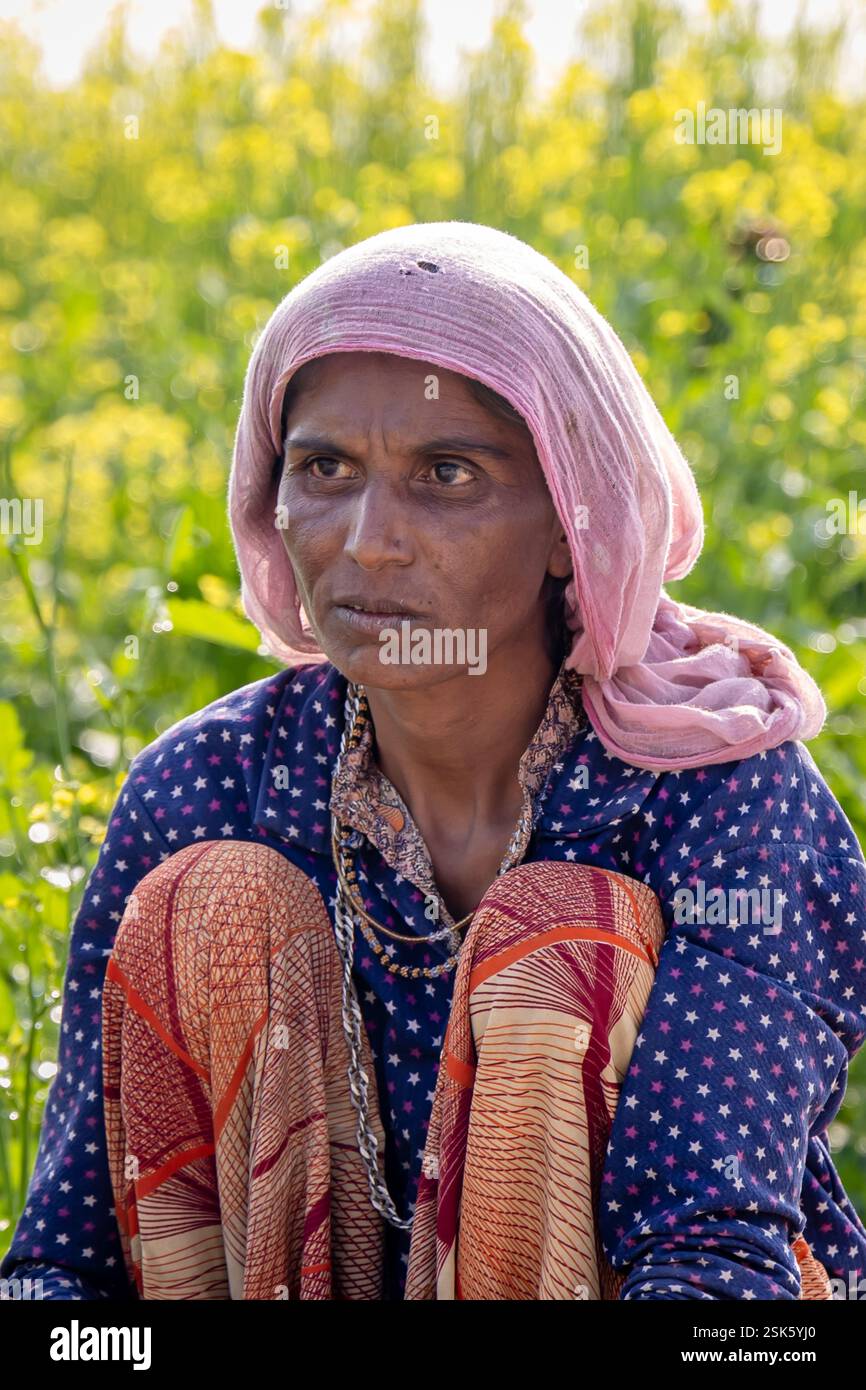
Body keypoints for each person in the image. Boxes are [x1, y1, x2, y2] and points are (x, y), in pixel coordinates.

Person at [3, 221, 864, 1301]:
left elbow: (711, 1259)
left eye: (445, 472)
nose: (367, 539)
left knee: (562, 939)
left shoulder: (719, 798)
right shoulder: (209, 791)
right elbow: (65, 1268)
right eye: (324, 468)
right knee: (209, 907)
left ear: (569, 524)